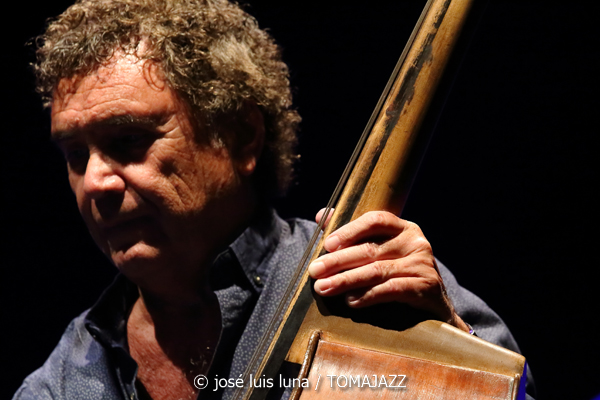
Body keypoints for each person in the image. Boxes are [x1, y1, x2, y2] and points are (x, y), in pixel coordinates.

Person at [14, 0, 534, 399]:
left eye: (129, 140)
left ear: (242, 138)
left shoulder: (364, 280)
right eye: (75, 154)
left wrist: (444, 343)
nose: (95, 182)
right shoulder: (62, 382)